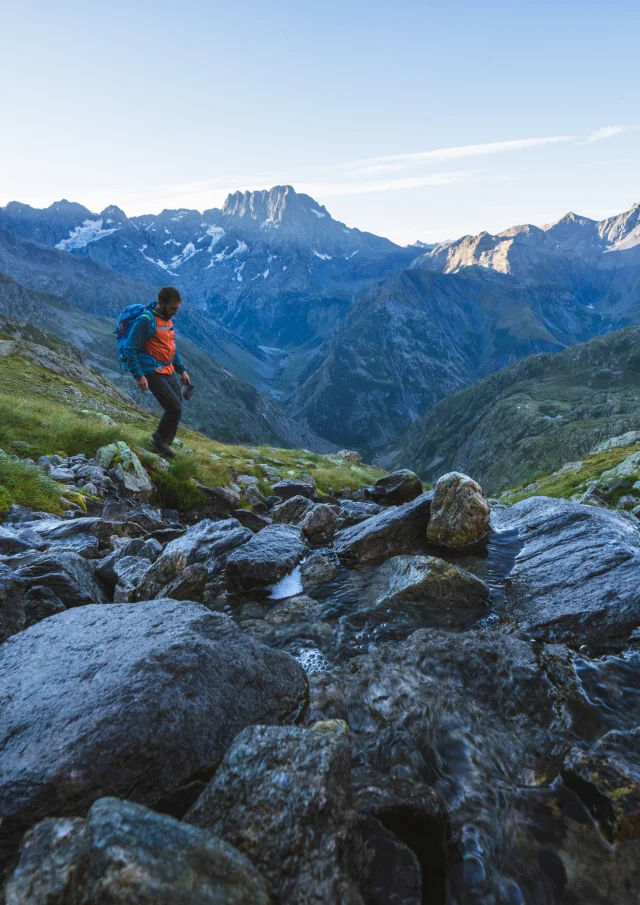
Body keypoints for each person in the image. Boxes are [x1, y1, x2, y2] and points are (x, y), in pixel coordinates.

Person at [123, 286, 191, 458]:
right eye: (173, 308)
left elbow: (171, 348)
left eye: (177, 308)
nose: (175, 312)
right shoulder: (145, 320)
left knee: (177, 406)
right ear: (161, 304)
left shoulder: (168, 320)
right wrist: (139, 375)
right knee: (174, 407)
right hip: (151, 371)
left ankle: (165, 443)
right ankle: (159, 441)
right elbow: (130, 348)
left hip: (168, 370)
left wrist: (181, 370)